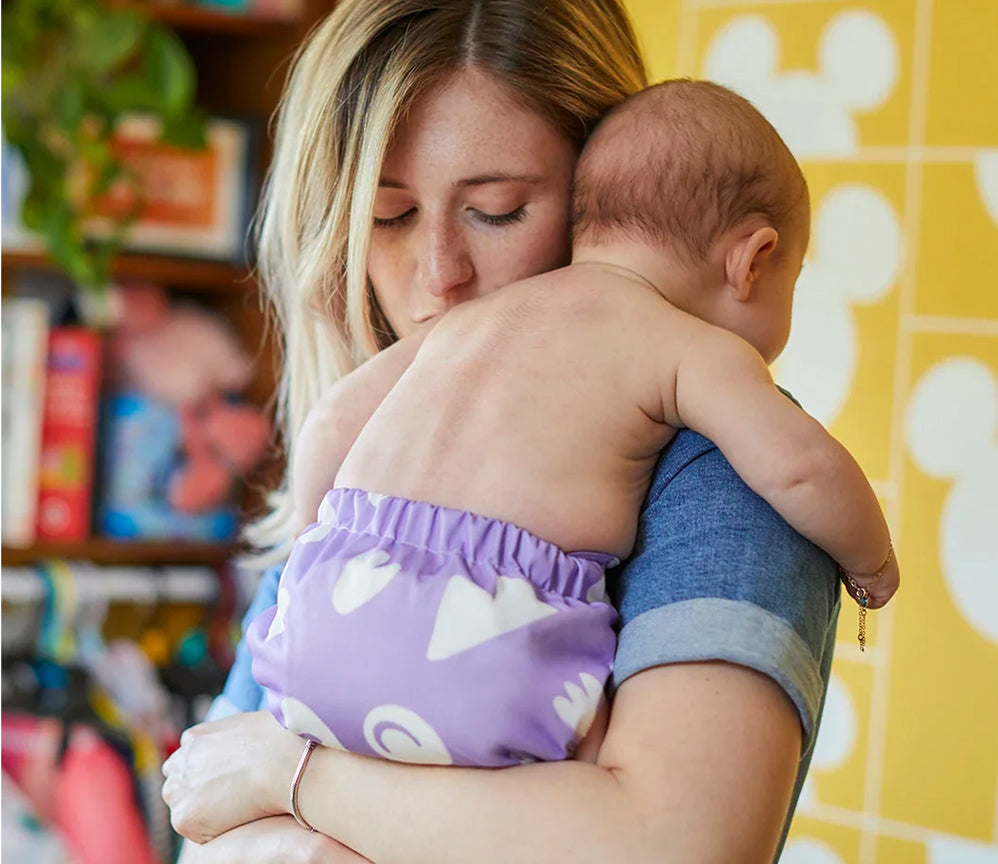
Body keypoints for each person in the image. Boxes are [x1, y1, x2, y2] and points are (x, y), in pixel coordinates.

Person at [162, 0, 845, 864]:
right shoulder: (366, 476)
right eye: (388, 215)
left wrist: (299, 782)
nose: (438, 273)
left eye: (497, 211)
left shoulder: (722, 477)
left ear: (606, 204)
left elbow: (680, 846)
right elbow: (204, 814)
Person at [245, 79, 897, 773]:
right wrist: (872, 561)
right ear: (752, 260)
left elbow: (329, 422)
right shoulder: (684, 347)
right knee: (581, 781)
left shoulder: (468, 322)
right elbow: (796, 465)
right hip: (485, 651)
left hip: (325, 620)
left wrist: (309, 564)